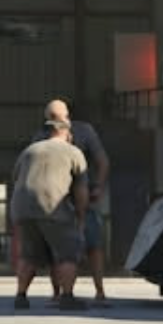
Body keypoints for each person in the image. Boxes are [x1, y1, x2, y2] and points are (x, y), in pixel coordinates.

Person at [9, 120, 90, 312]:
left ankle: (20, 297)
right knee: (68, 253)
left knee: (28, 255)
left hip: (23, 209)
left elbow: (16, 178)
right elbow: (81, 190)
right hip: (53, 207)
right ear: (66, 133)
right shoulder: (73, 152)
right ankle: (67, 297)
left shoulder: (29, 151)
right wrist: (81, 215)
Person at [44, 99, 113, 306]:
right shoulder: (84, 130)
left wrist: (98, 186)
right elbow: (103, 161)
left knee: (59, 247)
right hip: (75, 195)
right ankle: (97, 291)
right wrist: (98, 186)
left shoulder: (45, 133)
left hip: (60, 197)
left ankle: (59, 293)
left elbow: (103, 162)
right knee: (92, 246)